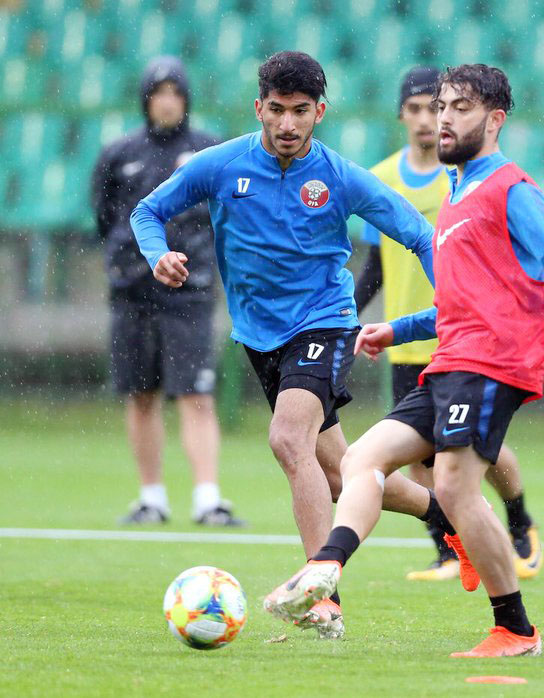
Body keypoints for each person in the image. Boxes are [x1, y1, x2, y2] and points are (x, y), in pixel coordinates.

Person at [263, 63, 544, 658]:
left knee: (455, 486)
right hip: (449, 363)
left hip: (490, 364)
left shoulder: (511, 189)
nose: (443, 119)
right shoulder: (457, 196)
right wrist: (395, 330)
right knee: (360, 460)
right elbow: (459, 304)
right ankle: (326, 566)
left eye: (460, 108)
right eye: (440, 107)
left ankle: (515, 629)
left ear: (495, 119)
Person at [131, 51, 458, 640]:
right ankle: (447, 514)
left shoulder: (340, 176)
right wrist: (158, 255)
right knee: (340, 475)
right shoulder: (222, 165)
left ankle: (321, 593)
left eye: (300, 111)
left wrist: (451, 308)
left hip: (324, 323)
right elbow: (147, 211)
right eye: (277, 110)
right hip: (259, 337)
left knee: (287, 439)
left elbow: (420, 235)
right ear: (259, 107)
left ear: (319, 112)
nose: (287, 124)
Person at [354, 66, 542, 582]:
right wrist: (352, 319)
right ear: (401, 115)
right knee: (423, 459)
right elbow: (375, 266)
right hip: (411, 337)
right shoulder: (381, 177)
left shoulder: (463, 172)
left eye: (433, 108)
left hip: (468, 338)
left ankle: (519, 523)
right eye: (416, 109)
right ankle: (448, 551)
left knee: (479, 450)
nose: (426, 119)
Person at [90, 56, 242, 527]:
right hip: (132, 293)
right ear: (146, 99)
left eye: (176, 92)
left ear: (187, 99)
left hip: (189, 293)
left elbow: (226, 215)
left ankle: (208, 499)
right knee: (141, 393)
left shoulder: (208, 151)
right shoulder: (118, 153)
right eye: (159, 93)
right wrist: (131, 263)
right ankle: (151, 498)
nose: (168, 102)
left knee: (197, 395)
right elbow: (104, 218)